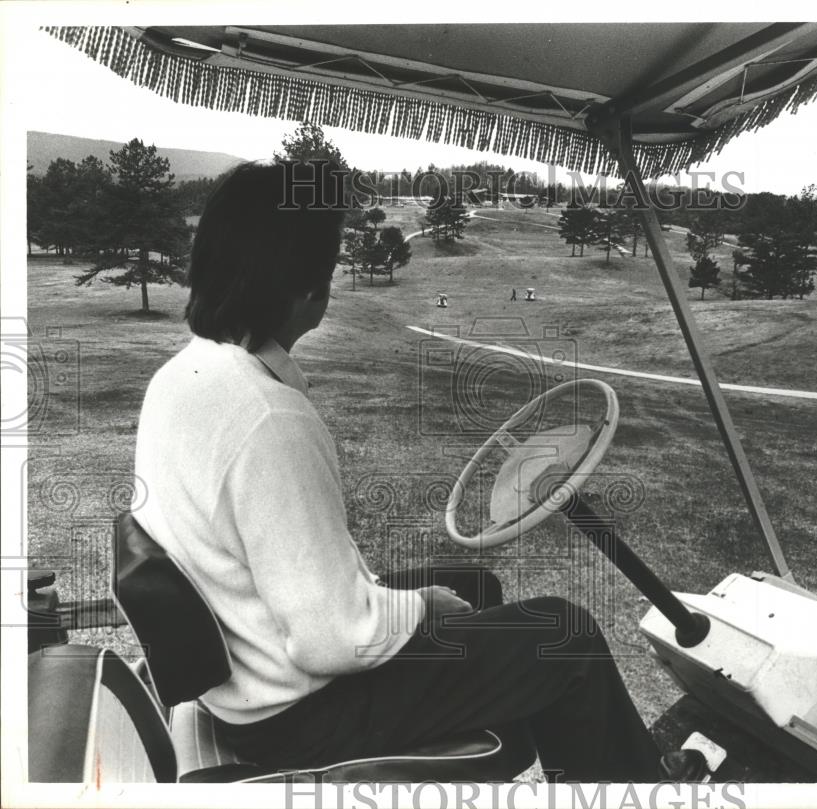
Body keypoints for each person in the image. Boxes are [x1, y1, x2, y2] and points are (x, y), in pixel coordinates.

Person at [133, 162, 700, 783]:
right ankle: (635, 786)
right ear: (307, 289)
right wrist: (421, 608)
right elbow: (332, 639)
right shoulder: (269, 418)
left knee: (475, 587)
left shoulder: (184, 377)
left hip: (247, 670)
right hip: (297, 712)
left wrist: (414, 604)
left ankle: (582, 765)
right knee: (565, 637)